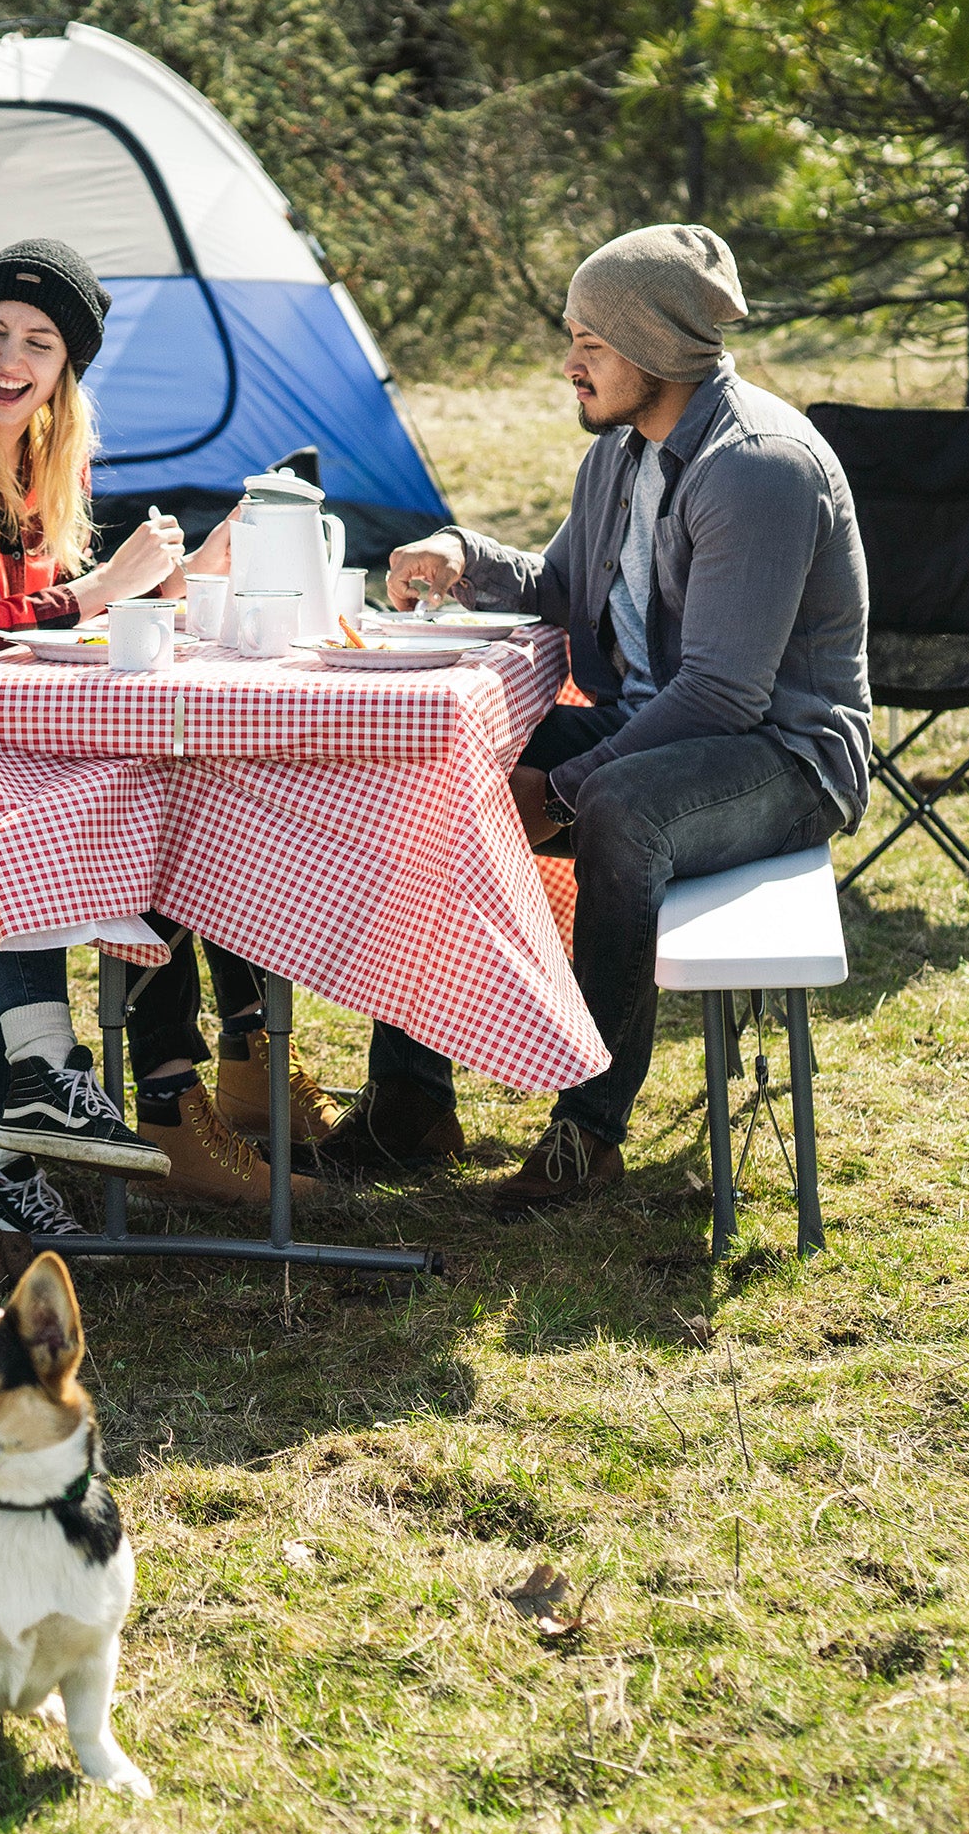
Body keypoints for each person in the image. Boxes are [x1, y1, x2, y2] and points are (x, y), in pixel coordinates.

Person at [310, 224, 870, 1212]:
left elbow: (724, 698)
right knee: (443, 761)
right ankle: (410, 1101)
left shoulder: (757, 469)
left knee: (621, 809)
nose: (570, 361)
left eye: (591, 342)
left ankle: (587, 1132)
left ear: (658, 348)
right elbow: (563, 590)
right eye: (571, 335)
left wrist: (561, 792)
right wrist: (458, 554)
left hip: (783, 756)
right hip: (666, 729)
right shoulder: (621, 451)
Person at [0, 237, 293, 1226]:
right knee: (9, 831)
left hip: (1, 745)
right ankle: (48, 1083)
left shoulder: (46, 449)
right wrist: (101, 591)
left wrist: (152, 591)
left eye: (39, 342)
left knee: (144, 788)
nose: (11, 357)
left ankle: (4, 1173)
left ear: (66, 366)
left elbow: (33, 610)